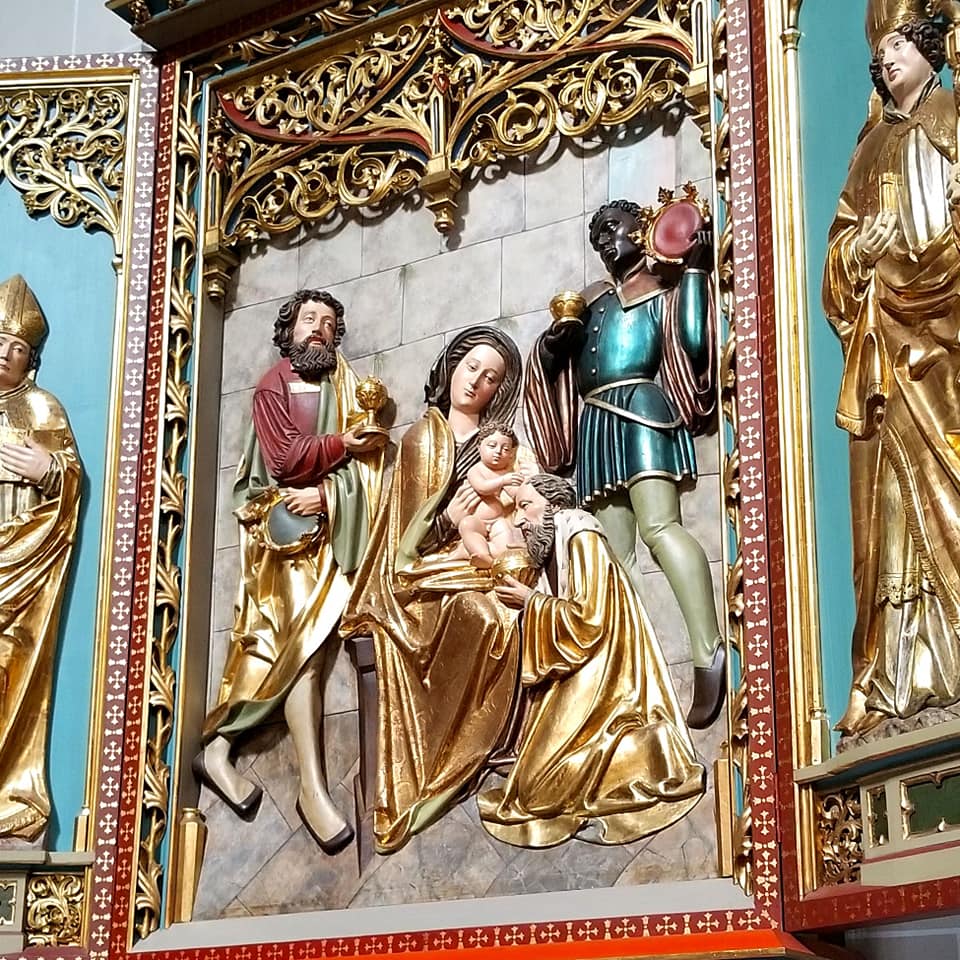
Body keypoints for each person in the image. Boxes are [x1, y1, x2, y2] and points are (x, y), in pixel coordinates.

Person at [194, 289, 385, 852]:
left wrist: (330, 492)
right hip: (282, 543)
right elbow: (281, 459)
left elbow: (373, 468)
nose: (319, 330)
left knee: (309, 655)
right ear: (290, 330)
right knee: (296, 654)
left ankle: (222, 749)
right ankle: (310, 787)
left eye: (329, 323)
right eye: (309, 320)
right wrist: (338, 446)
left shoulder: (347, 387)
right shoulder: (274, 384)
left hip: (331, 532)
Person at [524, 200, 725, 728]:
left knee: (660, 529)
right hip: (595, 426)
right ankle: (634, 676)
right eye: (597, 240)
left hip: (640, 411)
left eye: (611, 231)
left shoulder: (661, 291)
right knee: (614, 561)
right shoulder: (591, 304)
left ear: (641, 229)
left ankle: (709, 653)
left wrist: (699, 270)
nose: (605, 245)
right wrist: (553, 345)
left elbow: (697, 342)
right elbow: (550, 367)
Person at [823, 2, 960, 736]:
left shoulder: (954, 118)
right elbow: (836, 258)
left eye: (901, 42)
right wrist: (860, 254)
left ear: (931, 49)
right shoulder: (868, 145)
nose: (888, 56)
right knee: (890, 521)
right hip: (884, 351)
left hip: (943, 347)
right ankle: (898, 680)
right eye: (881, 48)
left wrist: (927, 267)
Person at [340, 326, 528, 853]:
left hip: (485, 558)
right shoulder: (424, 438)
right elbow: (408, 532)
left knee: (516, 605)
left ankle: (499, 741)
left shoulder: (499, 445)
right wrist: (447, 520)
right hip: (427, 575)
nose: (477, 382)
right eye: (472, 368)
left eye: (491, 378)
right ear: (451, 368)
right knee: (487, 617)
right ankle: (453, 753)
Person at [482, 473, 705, 846]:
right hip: (581, 666)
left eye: (526, 506)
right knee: (528, 787)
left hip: (605, 671)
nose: (519, 520)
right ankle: (639, 751)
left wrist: (531, 602)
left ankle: (649, 749)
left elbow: (591, 618)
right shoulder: (554, 543)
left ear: (555, 506)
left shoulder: (582, 533)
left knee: (538, 790)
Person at [0, 274, 82, 842]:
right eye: (0, 340)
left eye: (19, 347)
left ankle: (13, 799)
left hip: (18, 559)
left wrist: (48, 471)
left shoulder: (40, 407)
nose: (7, 352)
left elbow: (70, 473)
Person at [453, 422, 526, 568]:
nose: (498, 451)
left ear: (511, 454)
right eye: (492, 446)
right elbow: (482, 488)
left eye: (505, 449)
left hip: (497, 520)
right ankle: (482, 555)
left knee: (505, 547)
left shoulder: (506, 473)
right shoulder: (476, 470)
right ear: (479, 447)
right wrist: (503, 481)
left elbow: (515, 494)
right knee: (467, 525)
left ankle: (471, 553)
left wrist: (524, 487)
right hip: (478, 521)